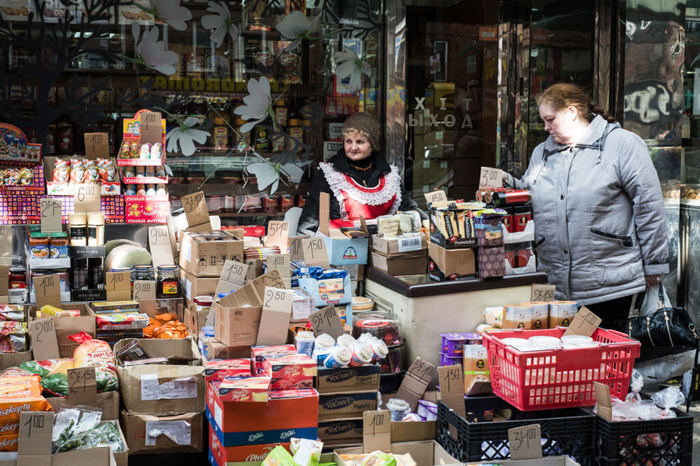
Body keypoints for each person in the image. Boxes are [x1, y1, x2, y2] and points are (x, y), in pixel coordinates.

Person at [504, 83, 669, 331]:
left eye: (550, 119)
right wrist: (506, 186)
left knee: (606, 362)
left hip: (610, 288)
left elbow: (649, 208)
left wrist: (654, 266)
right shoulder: (543, 152)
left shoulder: (622, 145)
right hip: (556, 287)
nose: (546, 127)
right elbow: (530, 194)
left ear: (572, 112)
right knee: (568, 364)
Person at [298, 112, 424, 234]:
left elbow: (409, 209)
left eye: (360, 142)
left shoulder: (389, 176)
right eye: (348, 141)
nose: (353, 148)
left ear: (372, 144)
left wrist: (428, 223)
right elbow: (309, 222)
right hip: (343, 251)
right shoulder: (329, 175)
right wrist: (303, 253)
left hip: (383, 251)